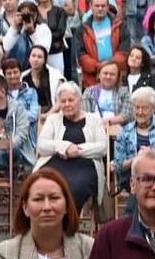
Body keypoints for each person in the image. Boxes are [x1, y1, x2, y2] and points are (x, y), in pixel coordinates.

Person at [36, 84, 108, 213]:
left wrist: (77, 150)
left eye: (71, 100)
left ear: (79, 100)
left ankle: (68, 224)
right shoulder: (53, 119)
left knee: (75, 186)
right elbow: (41, 145)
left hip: (85, 165)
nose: (67, 104)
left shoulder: (94, 119)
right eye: (63, 101)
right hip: (55, 162)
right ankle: (46, 221)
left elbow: (102, 147)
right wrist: (65, 147)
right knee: (42, 183)